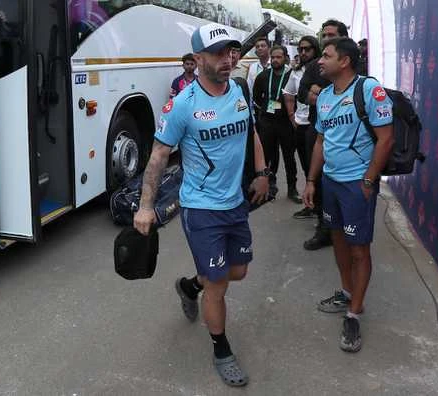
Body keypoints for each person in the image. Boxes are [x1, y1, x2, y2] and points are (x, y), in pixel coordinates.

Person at [133, 23, 269, 387]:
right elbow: (159, 155)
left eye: (231, 51)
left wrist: (262, 171)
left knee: (236, 272)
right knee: (219, 284)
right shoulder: (182, 105)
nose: (229, 59)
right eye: (219, 53)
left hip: (235, 203)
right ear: (198, 59)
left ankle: (190, 286)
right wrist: (146, 207)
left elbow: (251, 131)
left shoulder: (239, 90)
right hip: (201, 208)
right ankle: (221, 348)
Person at [303, 37, 394, 352]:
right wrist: (312, 180)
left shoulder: (369, 90)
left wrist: (369, 182)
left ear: (344, 61)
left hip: (357, 185)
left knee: (359, 249)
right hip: (330, 183)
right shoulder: (325, 97)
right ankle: (346, 292)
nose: (320, 60)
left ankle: (354, 312)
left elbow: (385, 139)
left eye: (326, 55)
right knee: (339, 241)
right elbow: (320, 143)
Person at [297, 19, 349, 250]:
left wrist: (327, 95)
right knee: (316, 177)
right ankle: (324, 226)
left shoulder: (356, 66)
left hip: (348, 137)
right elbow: (302, 94)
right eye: (324, 34)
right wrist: (316, 95)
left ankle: (348, 226)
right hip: (317, 131)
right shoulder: (314, 65)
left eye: (331, 35)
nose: (325, 39)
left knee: (345, 182)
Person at [253, 45, 301, 203]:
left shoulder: (291, 75)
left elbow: (297, 96)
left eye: (278, 57)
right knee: (267, 156)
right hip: (267, 121)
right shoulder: (263, 76)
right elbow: (257, 97)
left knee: (289, 156)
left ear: (286, 58)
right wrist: (268, 107)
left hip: (286, 122)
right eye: (273, 57)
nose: (275, 60)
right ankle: (269, 186)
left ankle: (292, 189)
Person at [283, 35, 321, 218]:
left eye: (308, 49)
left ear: (315, 49)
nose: (303, 52)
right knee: (307, 167)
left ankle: (323, 210)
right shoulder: (296, 72)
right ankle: (311, 205)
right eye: (300, 49)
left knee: (319, 169)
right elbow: (288, 94)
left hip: (319, 127)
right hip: (301, 126)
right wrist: (292, 117)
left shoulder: (323, 70)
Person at [246, 37, 270, 102]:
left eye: (263, 46)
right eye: (257, 47)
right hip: (257, 105)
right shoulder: (253, 67)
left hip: (274, 104)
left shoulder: (275, 65)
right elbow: (250, 88)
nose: (260, 48)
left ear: (269, 48)